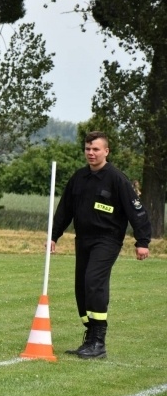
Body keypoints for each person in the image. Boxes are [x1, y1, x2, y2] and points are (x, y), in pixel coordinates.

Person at [50, 131, 151, 359]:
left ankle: (99, 342)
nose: (91, 153)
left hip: (107, 240)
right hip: (83, 240)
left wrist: (142, 241)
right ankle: (90, 337)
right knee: (82, 287)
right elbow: (64, 211)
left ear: (106, 151)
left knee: (94, 281)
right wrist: (53, 236)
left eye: (96, 149)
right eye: (88, 149)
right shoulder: (79, 178)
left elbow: (137, 211)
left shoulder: (117, 179)